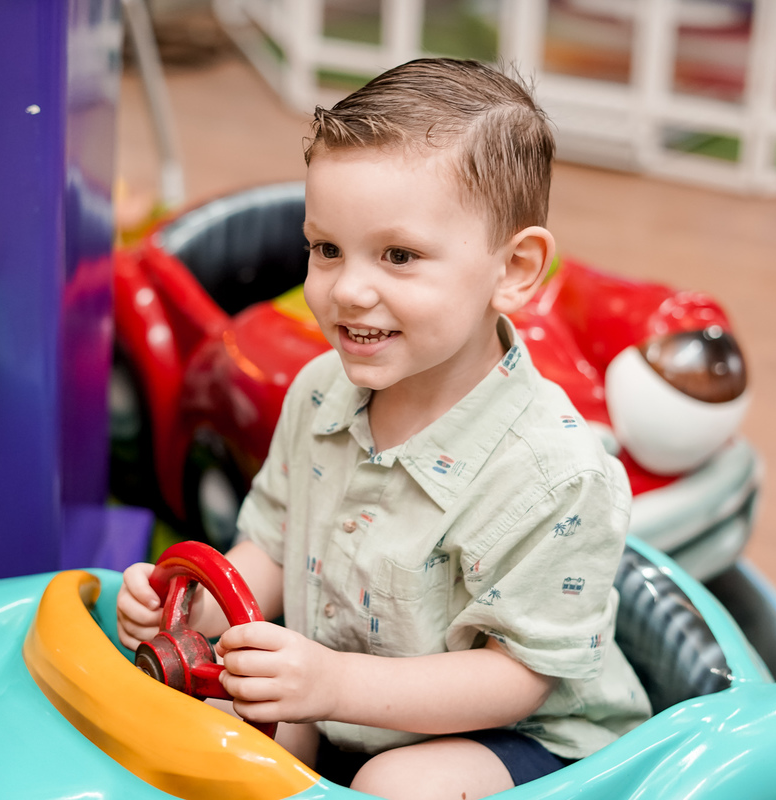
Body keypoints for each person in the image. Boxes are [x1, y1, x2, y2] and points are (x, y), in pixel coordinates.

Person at [117, 57, 650, 800]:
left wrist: (335, 684)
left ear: (514, 270)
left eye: (399, 256)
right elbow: (270, 546)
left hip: (524, 739)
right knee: (211, 729)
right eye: (326, 249)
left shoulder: (555, 474)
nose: (348, 290)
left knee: (396, 784)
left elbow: (518, 678)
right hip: (343, 701)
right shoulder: (319, 392)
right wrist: (189, 612)